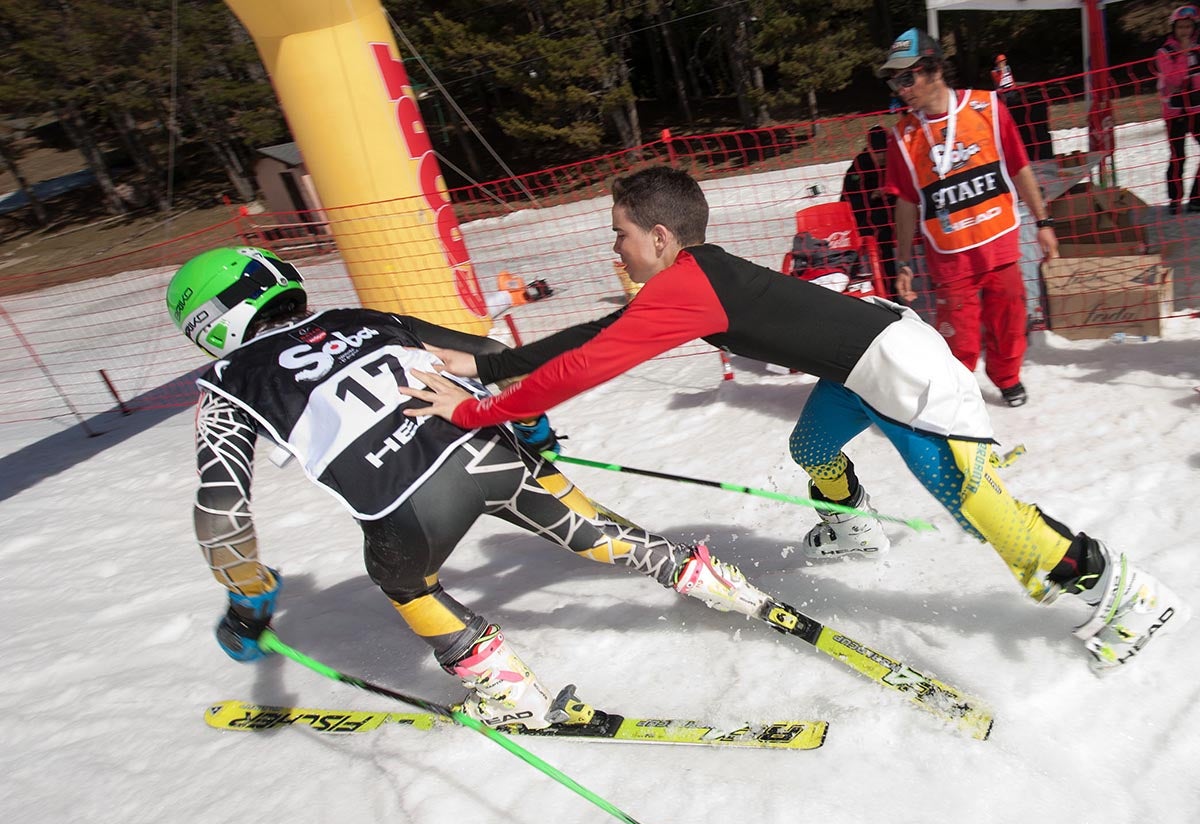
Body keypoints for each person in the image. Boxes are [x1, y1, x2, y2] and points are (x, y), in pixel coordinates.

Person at [400, 165, 1185, 673]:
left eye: (622, 236)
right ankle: (853, 525)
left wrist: (478, 411)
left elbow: (588, 364)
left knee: (978, 508)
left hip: (901, 368)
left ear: (661, 237)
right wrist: (489, 365)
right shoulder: (688, 280)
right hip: (862, 356)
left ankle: (1121, 591)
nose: (617, 251)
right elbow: (597, 337)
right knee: (812, 445)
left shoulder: (684, 285)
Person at [165, 246, 780, 730]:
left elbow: (221, 514)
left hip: (406, 507)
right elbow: (488, 354)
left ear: (209, 321)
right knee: (591, 532)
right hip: (488, 451)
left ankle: (508, 690)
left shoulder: (226, 383)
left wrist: (249, 607)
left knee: (405, 583)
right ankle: (712, 581)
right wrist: (534, 428)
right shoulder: (367, 317)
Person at [879, 28, 1059, 409]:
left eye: (907, 77)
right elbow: (907, 203)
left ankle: (1008, 378)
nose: (900, 88)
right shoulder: (902, 137)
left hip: (1000, 243)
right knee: (957, 336)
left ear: (934, 70)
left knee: (1009, 321)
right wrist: (904, 261)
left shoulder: (988, 108)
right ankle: (960, 391)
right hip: (949, 256)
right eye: (895, 80)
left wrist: (1044, 224)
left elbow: (1020, 168)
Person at [840, 124, 897, 294]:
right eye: (878, 152)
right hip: (866, 215)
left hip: (894, 210)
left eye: (885, 151)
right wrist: (872, 195)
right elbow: (848, 201)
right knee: (881, 233)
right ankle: (889, 289)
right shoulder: (859, 165)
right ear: (869, 149)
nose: (882, 156)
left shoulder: (896, 159)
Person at [1154, 6, 1200, 214]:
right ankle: (1175, 199)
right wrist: (1183, 52)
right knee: (1178, 156)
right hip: (1175, 112)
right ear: (1174, 28)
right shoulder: (1165, 52)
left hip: (1197, 108)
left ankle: (1196, 197)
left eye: (1189, 26)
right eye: (1181, 27)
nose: (1185, 31)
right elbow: (1174, 79)